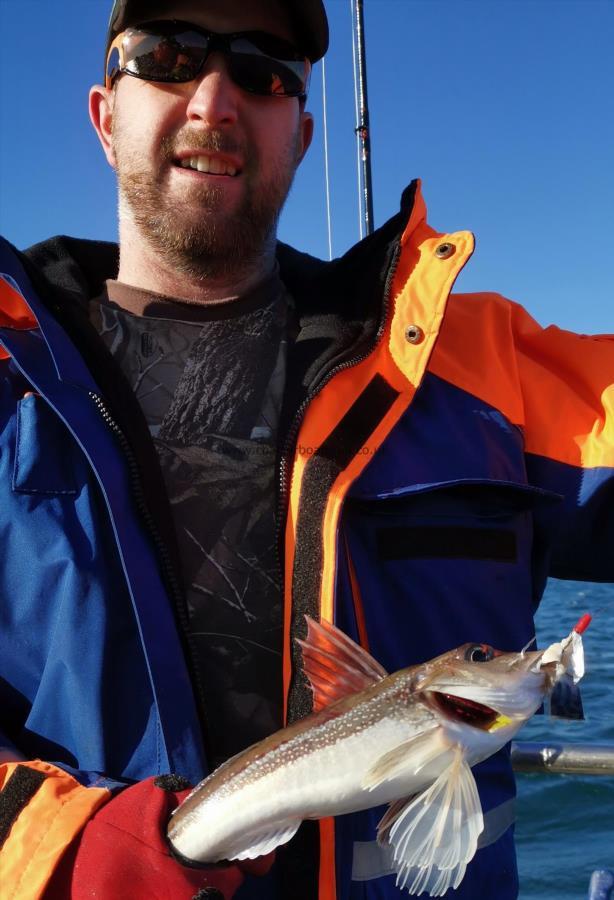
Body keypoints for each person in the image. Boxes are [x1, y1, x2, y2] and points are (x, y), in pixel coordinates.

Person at [0, 0, 612, 897]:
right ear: (103, 114)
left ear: (304, 131)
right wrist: (58, 847)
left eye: (264, 69)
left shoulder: (489, 373)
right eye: (167, 57)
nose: (214, 99)